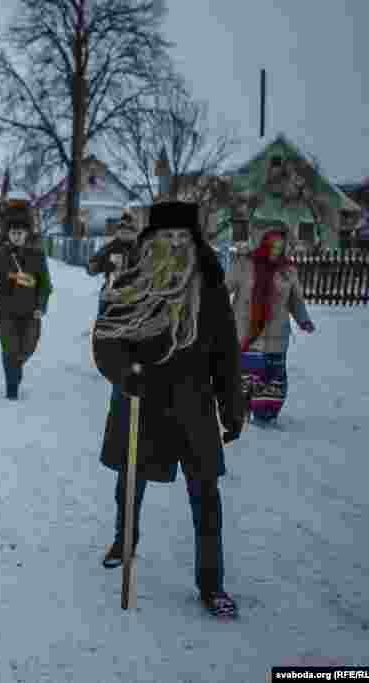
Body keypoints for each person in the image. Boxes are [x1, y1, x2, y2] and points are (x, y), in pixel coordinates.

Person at [92, 201, 246, 619]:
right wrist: (126, 373)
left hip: (193, 404)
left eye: (183, 237)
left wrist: (233, 407)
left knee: (206, 494)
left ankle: (211, 582)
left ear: (194, 241)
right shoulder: (131, 282)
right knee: (130, 480)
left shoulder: (210, 286)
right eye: (167, 237)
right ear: (152, 241)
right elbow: (105, 339)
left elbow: (226, 352)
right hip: (142, 397)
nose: (176, 244)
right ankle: (125, 539)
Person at [225, 224, 315, 425]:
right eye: (272, 245)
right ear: (262, 243)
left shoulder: (288, 270)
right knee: (246, 375)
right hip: (246, 333)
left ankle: (266, 414)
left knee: (273, 376)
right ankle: (240, 409)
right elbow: (224, 290)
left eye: (280, 246)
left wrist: (304, 319)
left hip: (276, 334)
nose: (276, 250)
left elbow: (295, 300)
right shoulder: (243, 265)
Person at [0, 199, 53, 400]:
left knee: (28, 347)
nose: (17, 236)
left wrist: (41, 306)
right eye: (13, 233)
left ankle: (16, 367)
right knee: (9, 347)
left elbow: (45, 284)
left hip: (31, 311)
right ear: (7, 233)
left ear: (27, 233)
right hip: (6, 310)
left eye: (20, 233)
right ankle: (11, 386)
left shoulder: (37, 256)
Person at [87, 213, 140, 309]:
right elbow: (91, 268)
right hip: (111, 295)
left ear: (135, 232)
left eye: (129, 229)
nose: (125, 231)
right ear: (117, 231)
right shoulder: (109, 248)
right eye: (121, 228)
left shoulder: (142, 249)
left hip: (134, 296)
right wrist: (101, 265)